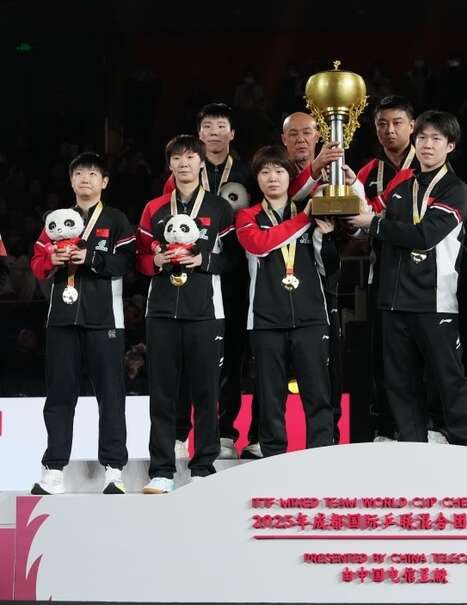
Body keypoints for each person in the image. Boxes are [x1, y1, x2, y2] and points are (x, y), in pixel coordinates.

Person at [348, 110, 467, 446]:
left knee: (448, 378)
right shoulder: (401, 185)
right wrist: (351, 186)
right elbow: (371, 215)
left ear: (450, 145)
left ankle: (465, 447)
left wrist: (374, 224)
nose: (427, 145)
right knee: (399, 382)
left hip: (435, 300)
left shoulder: (455, 190)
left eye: (436, 139)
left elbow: (425, 236)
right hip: (392, 300)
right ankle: (411, 445)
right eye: (422, 138)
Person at [136, 135, 236, 494]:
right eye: (177, 158)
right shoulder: (154, 208)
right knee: (162, 393)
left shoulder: (219, 208)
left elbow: (233, 258)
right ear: (170, 165)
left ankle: (203, 467)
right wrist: (155, 261)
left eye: (190, 157)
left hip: (206, 311)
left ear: (201, 163)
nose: (184, 164)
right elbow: (139, 259)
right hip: (161, 310)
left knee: (206, 393)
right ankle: (162, 470)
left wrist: (203, 260)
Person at [30, 152, 134, 494]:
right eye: (78, 174)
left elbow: (126, 264)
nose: (85, 179)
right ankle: (54, 469)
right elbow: (37, 266)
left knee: (111, 395)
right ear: (71, 181)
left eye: (92, 174)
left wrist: (90, 257)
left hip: (105, 319)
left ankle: (114, 470)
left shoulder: (116, 219)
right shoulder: (55, 220)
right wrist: (52, 258)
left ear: (104, 181)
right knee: (59, 395)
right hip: (62, 318)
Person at [164, 103, 254, 461]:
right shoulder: (181, 173)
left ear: (232, 133)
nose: (214, 132)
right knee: (185, 355)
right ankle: (179, 431)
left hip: (234, 274)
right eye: (207, 127)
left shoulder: (247, 173)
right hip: (189, 275)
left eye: (221, 126)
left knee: (231, 354)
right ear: (199, 134)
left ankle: (226, 431)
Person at [236, 145, 338, 455]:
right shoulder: (248, 216)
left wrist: (324, 237)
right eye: (265, 172)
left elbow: (328, 267)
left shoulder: (312, 212)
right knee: (270, 395)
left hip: (311, 315)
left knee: (318, 392)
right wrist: (304, 220)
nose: (272, 177)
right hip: (266, 318)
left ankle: (321, 454)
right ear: (257, 179)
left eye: (279, 171)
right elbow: (259, 245)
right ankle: (273, 456)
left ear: (289, 176)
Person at [281, 112, 349, 443]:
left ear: (318, 136)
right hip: (278, 284)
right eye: (293, 134)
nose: (301, 139)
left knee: (327, 360)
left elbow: (354, 216)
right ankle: (265, 439)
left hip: (323, 279)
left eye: (307, 132)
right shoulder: (273, 172)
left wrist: (350, 184)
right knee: (272, 363)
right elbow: (286, 199)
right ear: (283, 140)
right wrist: (314, 169)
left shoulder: (334, 175)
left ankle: (328, 436)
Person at [357, 95, 420, 442]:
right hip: (381, 271)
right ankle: (384, 425)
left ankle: (424, 424)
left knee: (422, 352)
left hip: (424, 273)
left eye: (397, 123)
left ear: (412, 126)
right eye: (382, 124)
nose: (390, 130)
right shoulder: (368, 172)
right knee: (383, 352)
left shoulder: (428, 164)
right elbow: (354, 221)